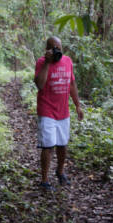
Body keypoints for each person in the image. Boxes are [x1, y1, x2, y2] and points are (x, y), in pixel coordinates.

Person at [34, 36, 83, 191]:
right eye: (53, 48)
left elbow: (72, 84)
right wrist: (48, 63)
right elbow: (40, 85)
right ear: (47, 50)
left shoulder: (68, 61)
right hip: (47, 110)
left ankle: (60, 172)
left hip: (63, 111)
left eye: (59, 48)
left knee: (62, 145)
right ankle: (44, 180)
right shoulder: (41, 62)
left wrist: (77, 105)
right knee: (48, 146)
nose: (57, 51)